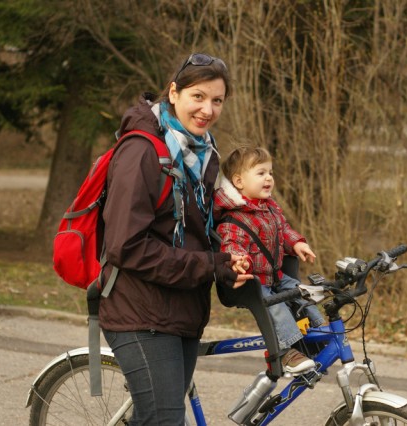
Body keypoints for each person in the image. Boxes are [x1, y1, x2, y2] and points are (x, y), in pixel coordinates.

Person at [99, 53, 253, 425]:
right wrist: (208, 264)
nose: (207, 109)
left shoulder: (203, 153)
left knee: (156, 418)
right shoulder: (142, 152)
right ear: (173, 92)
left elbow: (198, 232)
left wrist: (227, 261)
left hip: (180, 309)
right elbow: (126, 246)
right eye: (198, 97)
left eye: (217, 100)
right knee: (165, 421)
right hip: (137, 311)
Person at [213, 146, 325, 375]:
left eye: (270, 173)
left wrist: (296, 243)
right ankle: (285, 351)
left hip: (276, 276)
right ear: (239, 181)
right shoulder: (234, 217)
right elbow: (231, 244)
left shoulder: (269, 208)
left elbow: (283, 229)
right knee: (276, 306)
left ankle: (317, 337)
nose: (269, 178)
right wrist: (239, 261)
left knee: (303, 293)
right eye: (261, 173)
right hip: (254, 282)